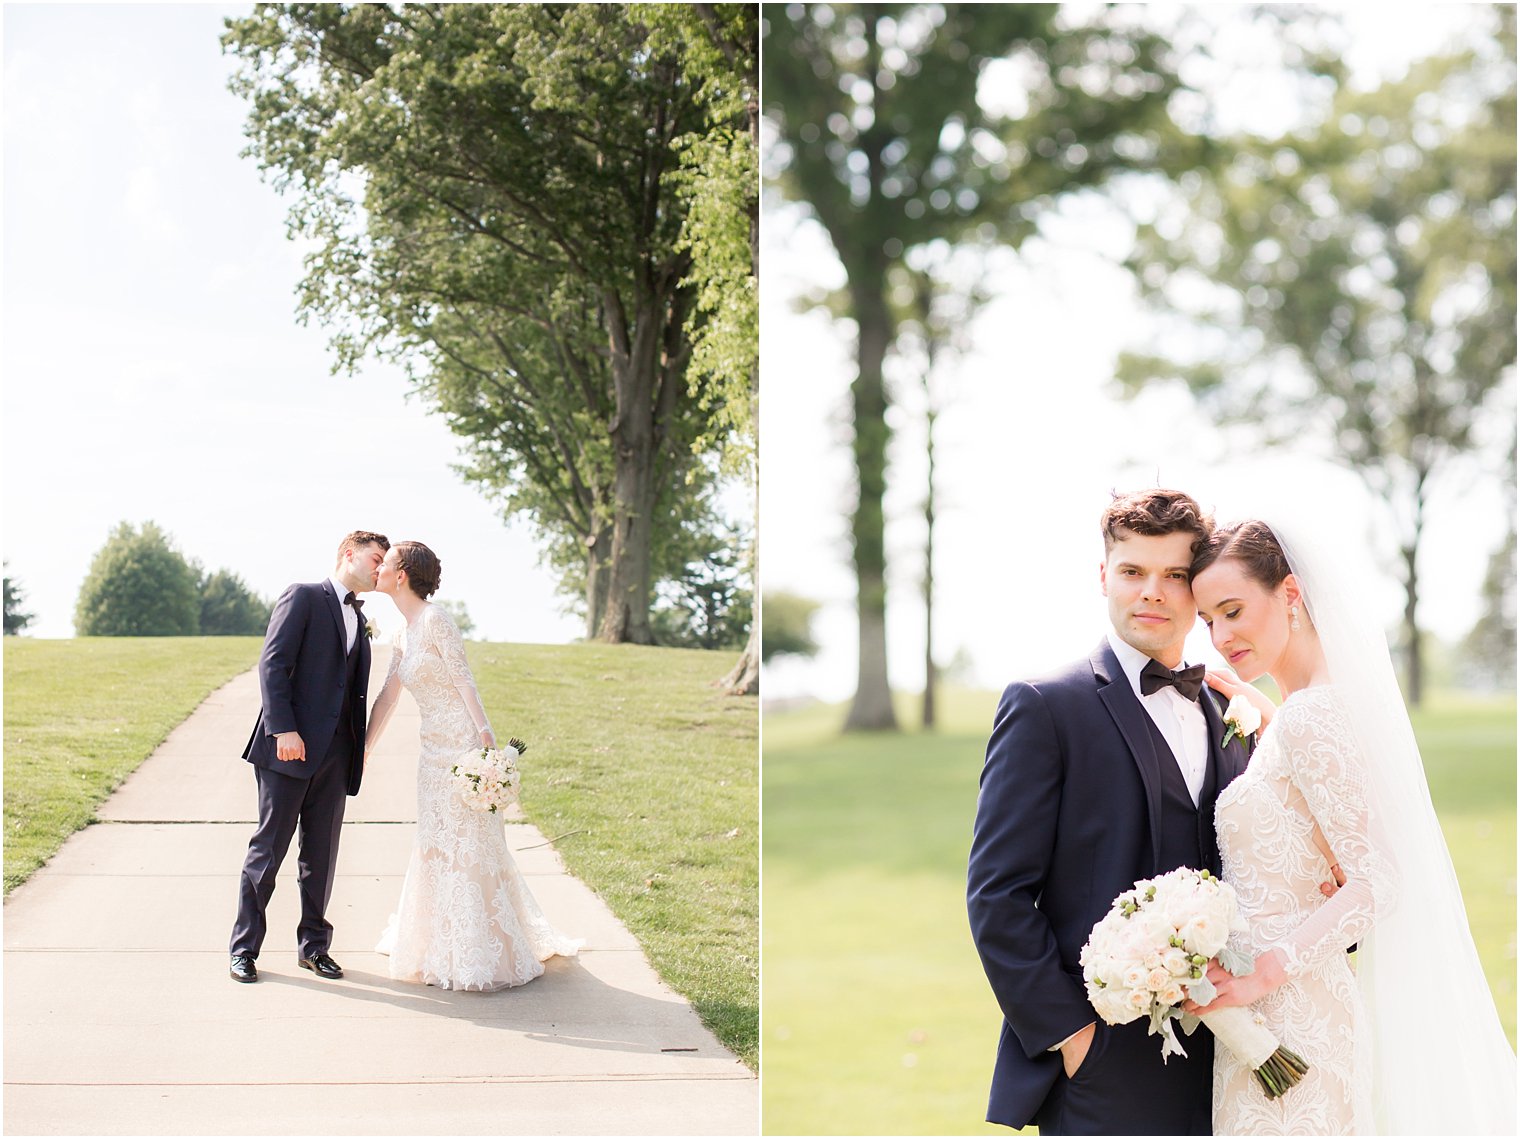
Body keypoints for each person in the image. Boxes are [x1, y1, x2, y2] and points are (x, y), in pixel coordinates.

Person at [1187, 517, 1516, 1134]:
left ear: (1290, 595)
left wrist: (1263, 972)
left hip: (1292, 1016)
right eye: (1208, 621)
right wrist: (1269, 721)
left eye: (1232, 611)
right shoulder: (1304, 713)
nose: (1220, 636)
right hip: (1272, 1018)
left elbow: (1376, 882)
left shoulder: (1312, 716)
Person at [967, 489, 1254, 1135]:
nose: (1152, 591)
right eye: (1133, 571)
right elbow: (997, 894)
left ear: (1198, 589)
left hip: (1232, 1059)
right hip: (1105, 1063)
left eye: (1174, 575)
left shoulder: (1231, 713)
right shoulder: (1046, 705)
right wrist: (1074, 1039)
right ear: (1104, 577)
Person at [366, 540, 581, 990]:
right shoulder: (403, 633)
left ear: (402, 574)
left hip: (462, 749)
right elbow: (388, 694)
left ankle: (476, 949)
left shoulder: (435, 620)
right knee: (435, 841)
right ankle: (433, 941)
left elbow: (464, 677)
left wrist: (486, 740)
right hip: (430, 755)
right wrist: (365, 746)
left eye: (384, 564)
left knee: (470, 846)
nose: (378, 569)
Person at [229, 530, 390, 984]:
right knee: (268, 851)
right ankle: (243, 949)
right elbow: (273, 664)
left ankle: (314, 947)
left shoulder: (360, 619)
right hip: (288, 750)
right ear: (348, 554)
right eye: (375, 559)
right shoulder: (302, 596)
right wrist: (284, 729)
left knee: (320, 857)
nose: (381, 569)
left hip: (336, 757)